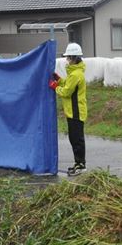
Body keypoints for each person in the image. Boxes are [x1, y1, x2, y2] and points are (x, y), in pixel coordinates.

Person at [49, 43, 87, 176]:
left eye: (69, 58)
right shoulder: (74, 74)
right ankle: (78, 164)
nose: (67, 60)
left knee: (77, 140)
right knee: (74, 138)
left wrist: (55, 87)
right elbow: (68, 84)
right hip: (73, 112)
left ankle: (81, 165)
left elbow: (66, 92)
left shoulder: (76, 74)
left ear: (74, 58)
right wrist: (59, 81)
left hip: (76, 112)